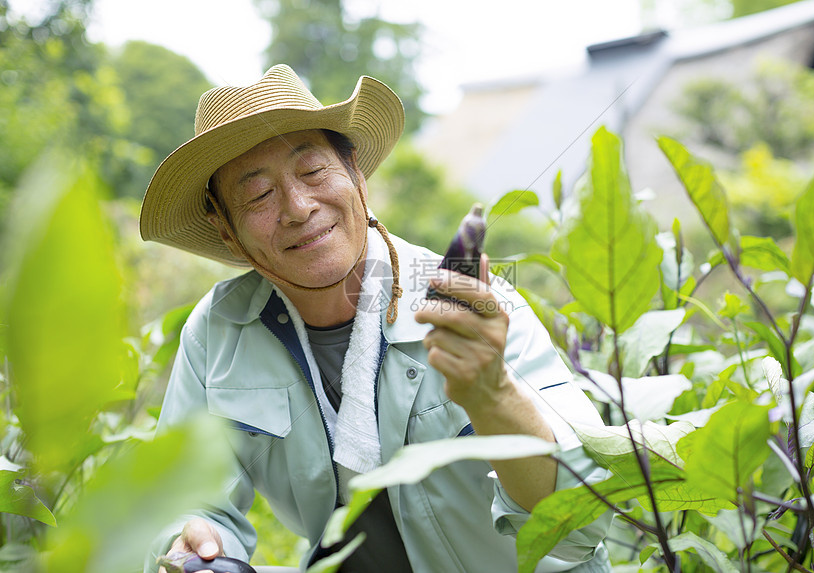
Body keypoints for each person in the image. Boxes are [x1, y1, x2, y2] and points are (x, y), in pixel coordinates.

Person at [141, 65, 612, 573]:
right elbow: (182, 500)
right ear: (227, 231)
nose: (298, 208)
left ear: (356, 174)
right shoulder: (217, 332)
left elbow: (578, 525)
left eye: (313, 171)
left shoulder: (474, 304)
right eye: (258, 195)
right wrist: (191, 541)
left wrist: (493, 392)